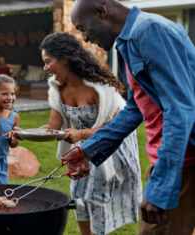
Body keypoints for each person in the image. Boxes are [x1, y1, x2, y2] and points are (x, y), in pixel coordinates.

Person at [65, 1, 195, 234]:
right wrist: (89, 149)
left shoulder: (149, 32)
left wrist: (161, 187)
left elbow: (180, 110)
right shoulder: (128, 42)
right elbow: (137, 107)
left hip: (184, 163)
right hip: (169, 161)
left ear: (100, 11)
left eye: (83, 28)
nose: (85, 39)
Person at [39, 32, 142, 235]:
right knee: (78, 196)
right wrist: (22, 133)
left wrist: (81, 134)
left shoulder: (101, 89)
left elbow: (116, 129)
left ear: (65, 59)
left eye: (48, 61)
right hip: (83, 148)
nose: (45, 68)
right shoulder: (57, 89)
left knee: (96, 198)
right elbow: (53, 125)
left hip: (110, 148)